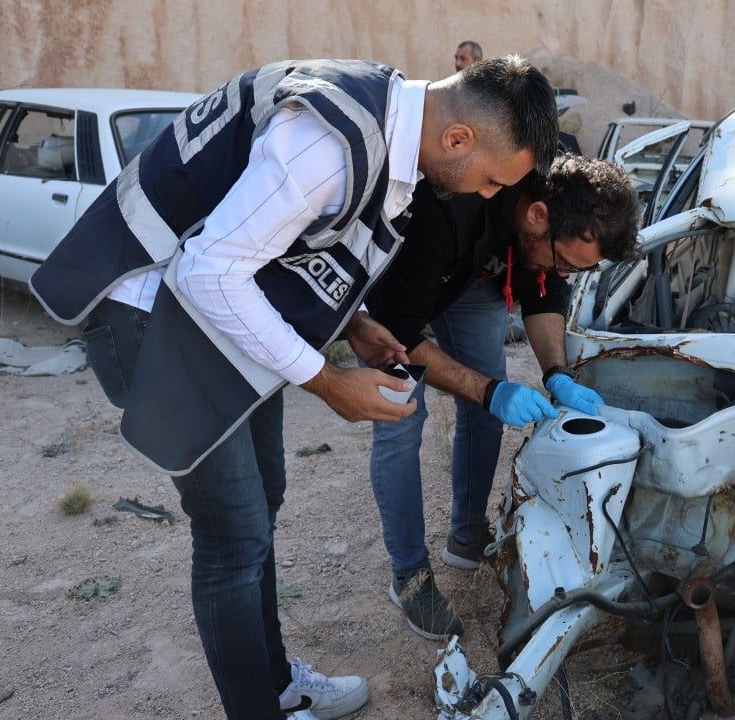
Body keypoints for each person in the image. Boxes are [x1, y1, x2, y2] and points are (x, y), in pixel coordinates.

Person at [29, 57, 558, 720]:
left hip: (216, 314)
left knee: (265, 499)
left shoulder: (387, 118)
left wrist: (355, 323)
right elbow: (208, 274)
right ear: (458, 139)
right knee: (233, 534)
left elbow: (280, 242)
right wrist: (328, 382)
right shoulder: (329, 143)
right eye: (489, 181)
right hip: (150, 312)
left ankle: (276, 682)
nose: (487, 198)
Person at [364, 155, 638, 639]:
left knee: (487, 406)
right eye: (565, 262)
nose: (565, 273)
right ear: (537, 216)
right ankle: (409, 576)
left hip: (476, 274)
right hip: (406, 274)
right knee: (401, 411)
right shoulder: (448, 205)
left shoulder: (561, 190)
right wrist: (489, 391)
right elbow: (401, 330)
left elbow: (544, 288)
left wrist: (556, 373)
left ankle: (467, 537)